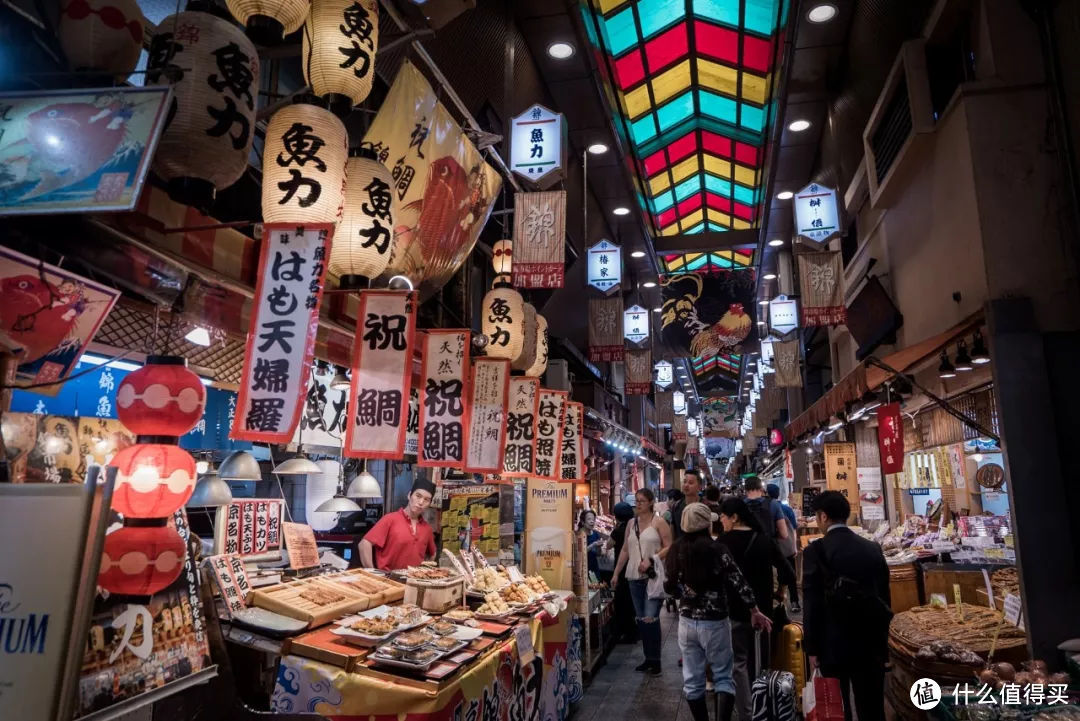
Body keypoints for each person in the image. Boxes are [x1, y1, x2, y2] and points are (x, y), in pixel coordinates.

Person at [664, 503, 773, 721]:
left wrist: (686, 592)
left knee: (693, 681)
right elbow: (738, 582)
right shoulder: (717, 549)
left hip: (686, 623)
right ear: (707, 524)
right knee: (723, 677)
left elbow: (670, 586)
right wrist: (754, 610)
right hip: (715, 623)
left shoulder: (676, 549)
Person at [803, 491, 892, 721]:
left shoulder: (815, 552)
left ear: (823, 516)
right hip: (870, 640)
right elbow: (884, 596)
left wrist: (811, 648)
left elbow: (811, 603)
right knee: (872, 705)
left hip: (831, 642)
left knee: (836, 707)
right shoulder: (872, 548)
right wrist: (885, 642)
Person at [718, 497, 797, 721]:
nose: (721, 519)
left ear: (734, 517)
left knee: (738, 663)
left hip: (733, 611)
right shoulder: (763, 540)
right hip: (763, 613)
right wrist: (780, 591)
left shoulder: (723, 542)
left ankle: (747, 713)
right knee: (761, 663)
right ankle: (764, 707)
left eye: (724, 515)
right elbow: (789, 573)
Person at [612, 487, 672, 675]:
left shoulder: (659, 522)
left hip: (652, 577)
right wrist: (616, 573)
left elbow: (670, 546)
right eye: (636, 500)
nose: (638, 504)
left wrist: (652, 559)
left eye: (642, 501)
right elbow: (624, 550)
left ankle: (655, 660)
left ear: (651, 502)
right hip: (634, 577)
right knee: (642, 620)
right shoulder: (631, 523)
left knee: (650, 618)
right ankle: (649, 658)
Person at [358, 479, 436, 570]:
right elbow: (364, 544)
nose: (421, 502)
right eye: (418, 496)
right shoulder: (390, 519)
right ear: (409, 495)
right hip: (388, 580)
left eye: (426, 500)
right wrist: (372, 572)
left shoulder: (427, 529)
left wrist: (424, 572)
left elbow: (432, 554)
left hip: (414, 582)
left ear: (429, 504)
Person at [767, 483, 801, 612]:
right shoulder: (786, 509)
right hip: (787, 548)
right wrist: (794, 547)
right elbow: (793, 529)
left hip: (773, 549)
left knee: (776, 577)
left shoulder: (767, 508)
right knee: (791, 574)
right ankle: (795, 602)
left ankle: (778, 605)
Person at [607, 502, 637, 643]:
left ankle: (628, 633)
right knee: (631, 601)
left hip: (621, 567)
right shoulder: (634, 527)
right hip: (633, 567)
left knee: (622, 601)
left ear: (617, 516)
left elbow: (608, 545)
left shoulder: (618, 531)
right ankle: (635, 631)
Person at [744, 476, 789, 543]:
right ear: (761, 489)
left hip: (746, 550)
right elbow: (784, 534)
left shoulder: (740, 505)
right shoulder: (773, 504)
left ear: (745, 490)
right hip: (769, 548)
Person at [669, 469, 702, 546]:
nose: (686, 485)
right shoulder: (676, 506)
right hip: (680, 551)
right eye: (684, 482)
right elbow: (673, 530)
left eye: (690, 483)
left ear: (699, 487)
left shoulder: (704, 506)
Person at [577, 509, 606, 581]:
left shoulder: (595, 534)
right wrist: (593, 545)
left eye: (593, 519)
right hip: (582, 569)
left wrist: (599, 547)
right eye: (589, 519)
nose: (592, 521)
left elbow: (598, 554)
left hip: (594, 569)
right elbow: (579, 553)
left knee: (597, 588)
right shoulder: (579, 535)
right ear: (583, 522)